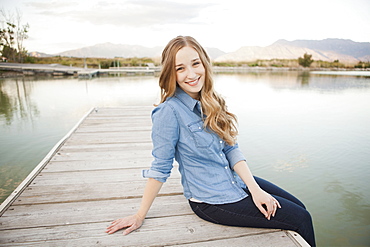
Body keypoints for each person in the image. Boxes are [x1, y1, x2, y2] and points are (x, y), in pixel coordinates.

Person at [105, 36, 316, 246]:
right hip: (211, 201)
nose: (191, 74)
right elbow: (160, 167)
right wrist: (139, 215)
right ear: (171, 73)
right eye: (180, 68)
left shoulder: (212, 100)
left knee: (300, 206)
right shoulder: (168, 112)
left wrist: (255, 189)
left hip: (234, 182)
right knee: (300, 219)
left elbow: (231, 148)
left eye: (195, 64)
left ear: (204, 63)